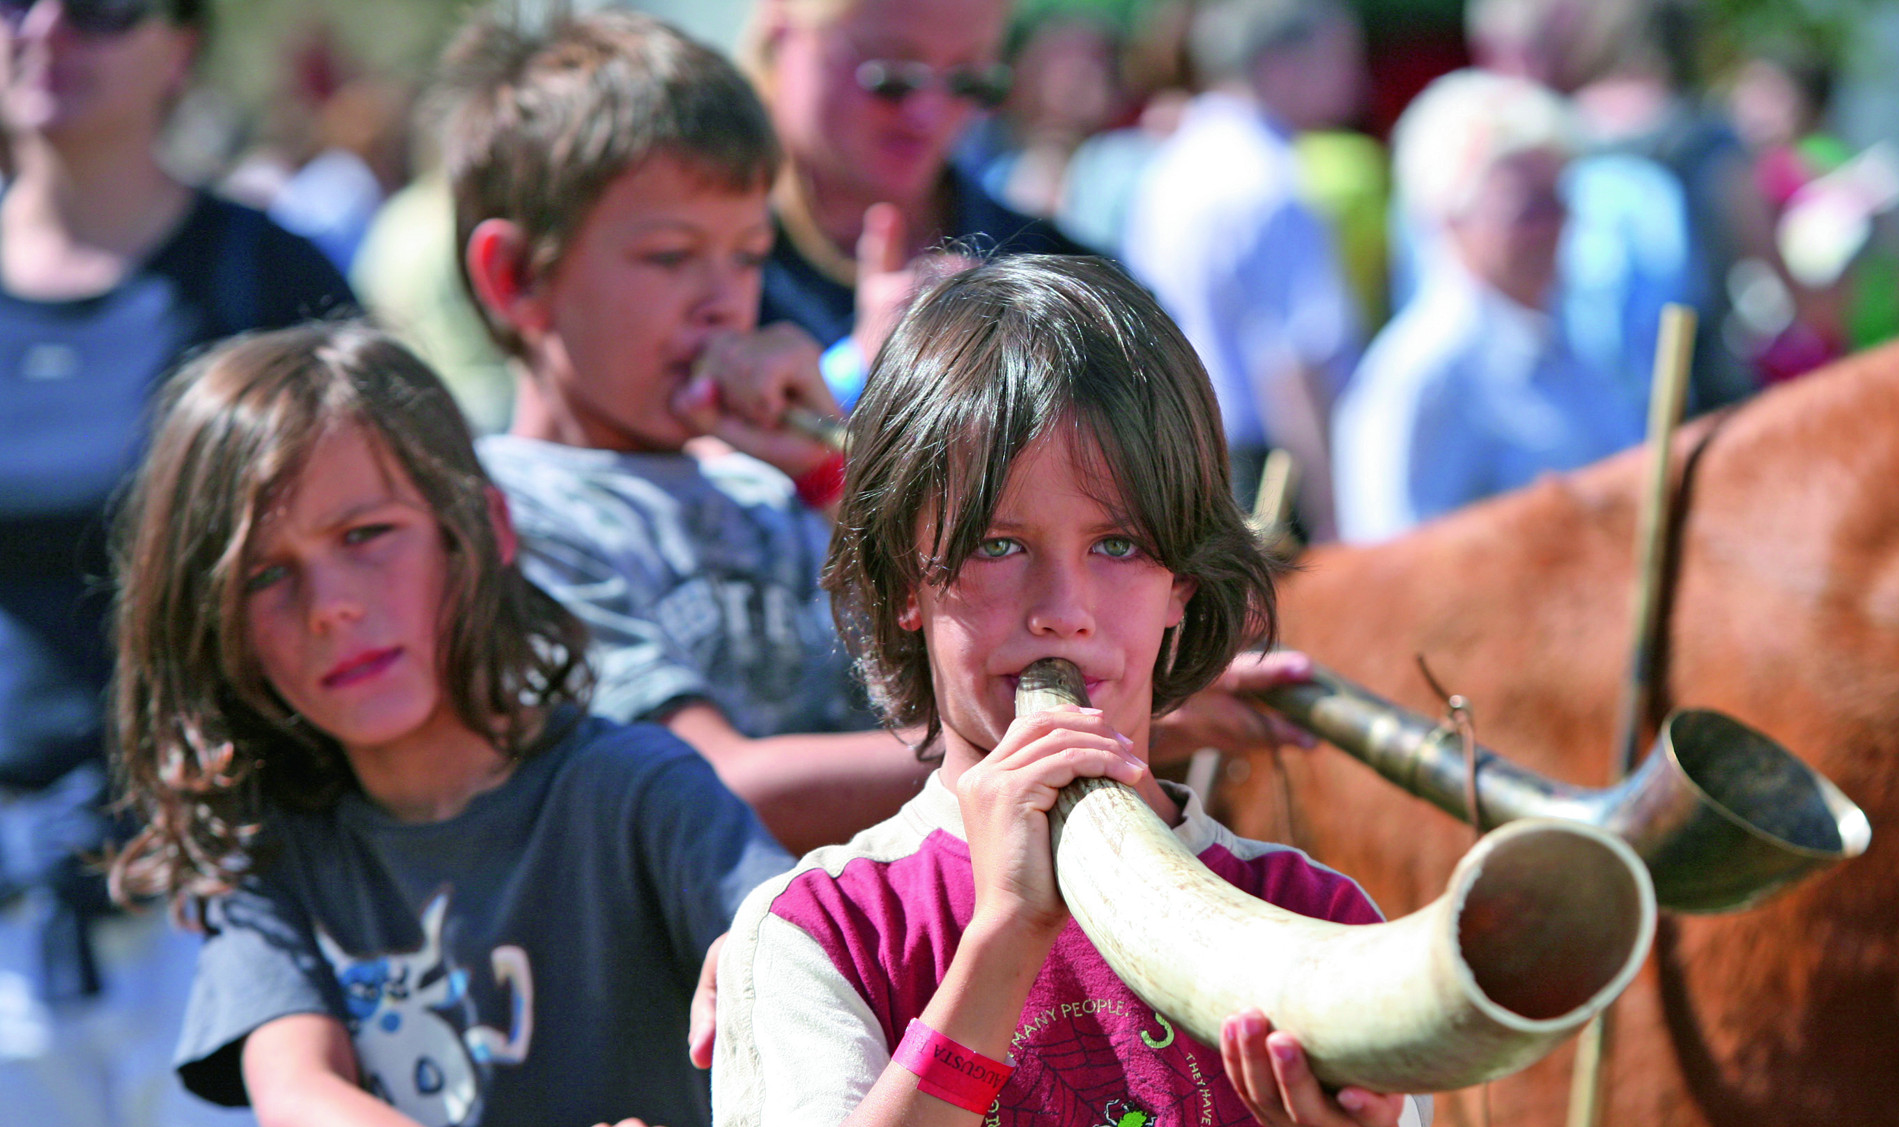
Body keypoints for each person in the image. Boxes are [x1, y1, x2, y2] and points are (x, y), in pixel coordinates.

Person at [698, 256, 1465, 1127]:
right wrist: (1001, 938)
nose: (1064, 608)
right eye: (998, 545)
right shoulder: (820, 924)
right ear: (906, 574)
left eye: (1119, 545)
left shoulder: (1296, 915)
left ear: (1180, 591)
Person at [443, 9, 1311, 858]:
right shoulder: (514, 518)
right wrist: (1104, 734)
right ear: (516, 278)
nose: (724, 301)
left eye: (748, 256)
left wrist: (831, 474)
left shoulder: (761, 486)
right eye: (671, 257)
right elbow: (707, 784)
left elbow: (916, 675)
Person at [107, 322, 792, 1127]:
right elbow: (303, 1112)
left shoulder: (639, 792)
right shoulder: (271, 845)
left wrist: (759, 968)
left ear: (482, 529)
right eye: (268, 574)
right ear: (213, 618)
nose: (331, 606)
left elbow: (807, 975)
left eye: (367, 534)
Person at [0, 0, 353, 1127]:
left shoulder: (271, 275)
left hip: (213, 903)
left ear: (183, 45)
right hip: (9, 910)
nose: (48, 30)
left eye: (101, 6)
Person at [1335, 72, 1638, 543]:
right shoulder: (1423, 376)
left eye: (1557, 200)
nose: (1553, 226)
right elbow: (1396, 566)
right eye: (1525, 210)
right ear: (1450, 218)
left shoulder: (1572, 344)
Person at [738, 0, 1084, 402]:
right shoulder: (682, 258)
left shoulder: (1055, 271)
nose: (927, 113)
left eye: (968, 81)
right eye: (891, 77)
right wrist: (850, 378)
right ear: (783, 34)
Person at [1121, 0, 1367, 537]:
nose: (1356, 75)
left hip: (1171, 451)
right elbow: (1294, 364)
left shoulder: (1168, 166)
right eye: (1339, 55)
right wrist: (1332, 513)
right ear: (1280, 65)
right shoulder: (1273, 180)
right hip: (1265, 472)